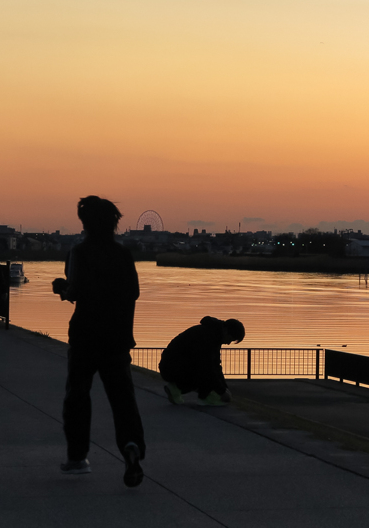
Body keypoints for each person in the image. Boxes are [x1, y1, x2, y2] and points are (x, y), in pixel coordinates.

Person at [51, 196, 146, 488]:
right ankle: (131, 447)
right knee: (122, 398)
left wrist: (62, 289)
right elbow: (134, 293)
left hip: (85, 335)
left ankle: (78, 457)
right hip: (116, 336)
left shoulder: (79, 252)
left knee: (78, 394)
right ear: (114, 222)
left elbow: (76, 290)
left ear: (84, 222)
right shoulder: (123, 254)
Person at [160, 316, 245, 406]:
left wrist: (225, 389)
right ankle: (205, 397)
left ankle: (175, 388)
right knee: (206, 373)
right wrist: (222, 391)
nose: (228, 343)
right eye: (230, 339)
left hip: (171, 366)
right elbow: (207, 367)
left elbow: (216, 365)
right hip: (172, 368)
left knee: (208, 372)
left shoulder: (213, 335)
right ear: (226, 331)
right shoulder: (208, 337)